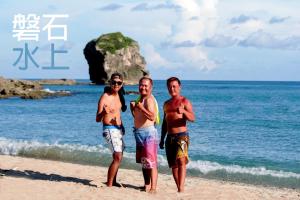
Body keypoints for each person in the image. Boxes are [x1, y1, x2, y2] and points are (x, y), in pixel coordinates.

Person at [159, 77, 195, 193]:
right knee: (173, 165)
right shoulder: (166, 104)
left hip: (182, 136)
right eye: (169, 86)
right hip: (169, 137)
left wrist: (184, 112)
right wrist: (161, 138)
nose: (172, 88)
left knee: (181, 161)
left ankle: (181, 189)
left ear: (179, 87)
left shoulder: (185, 101)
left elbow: (192, 118)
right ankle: (179, 187)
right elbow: (165, 123)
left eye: (174, 86)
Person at [96, 72, 126, 187]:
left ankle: (113, 181)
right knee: (117, 156)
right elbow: (97, 119)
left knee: (119, 156)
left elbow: (118, 114)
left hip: (118, 129)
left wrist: (122, 126)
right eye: (114, 82)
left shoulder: (119, 96)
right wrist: (103, 112)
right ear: (110, 83)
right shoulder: (105, 97)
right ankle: (109, 184)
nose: (116, 84)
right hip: (108, 129)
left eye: (119, 83)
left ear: (122, 84)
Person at [130, 76, 159, 193]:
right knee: (144, 162)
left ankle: (153, 188)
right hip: (139, 133)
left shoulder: (149, 100)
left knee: (151, 162)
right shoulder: (139, 100)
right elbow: (137, 117)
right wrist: (133, 109)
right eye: (141, 85)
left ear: (151, 87)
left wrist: (141, 108)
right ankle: (146, 185)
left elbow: (152, 116)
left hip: (149, 134)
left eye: (146, 85)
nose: (143, 88)